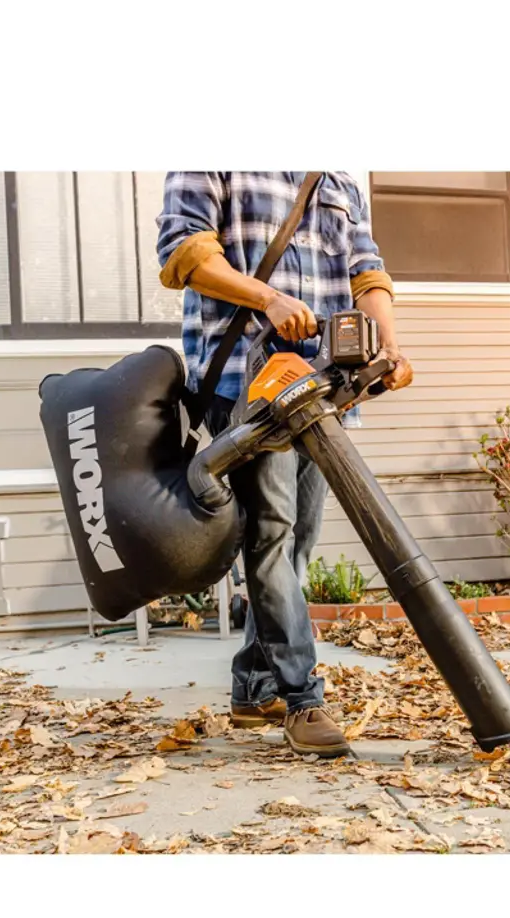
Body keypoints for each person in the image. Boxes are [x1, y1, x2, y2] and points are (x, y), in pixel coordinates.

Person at [156, 172, 412, 758]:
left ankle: (255, 686)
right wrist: (266, 298)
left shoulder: (337, 177)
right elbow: (184, 251)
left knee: (298, 542)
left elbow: (366, 271)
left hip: (322, 384)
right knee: (272, 535)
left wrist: (389, 346)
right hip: (247, 383)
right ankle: (301, 698)